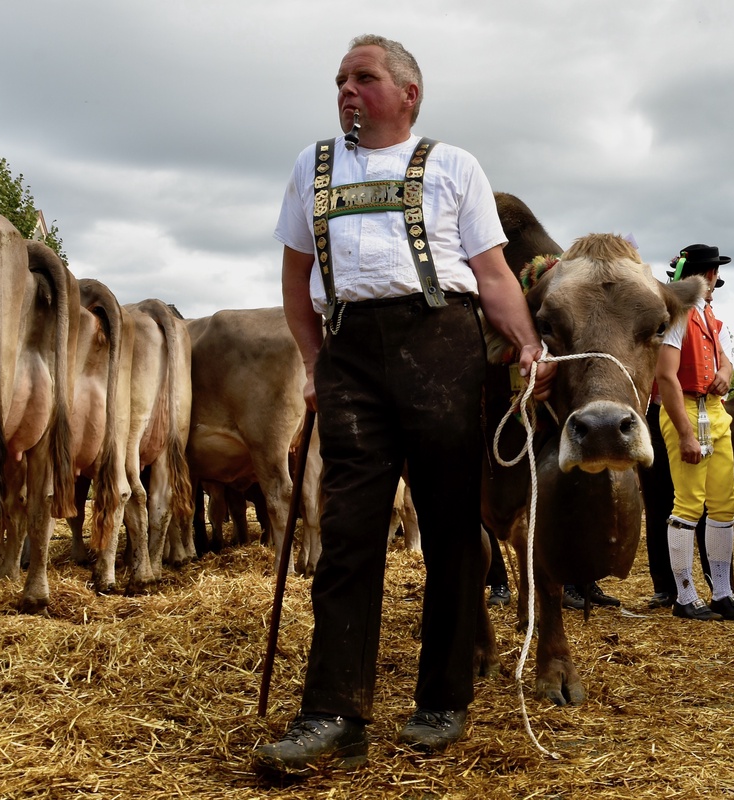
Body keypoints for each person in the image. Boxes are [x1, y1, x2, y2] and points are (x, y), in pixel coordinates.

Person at [254, 35, 555, 776]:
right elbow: (296, 281)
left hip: (441, 342)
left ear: (408, 93)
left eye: (364, 78)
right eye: (340, 81)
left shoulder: (453, 166)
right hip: (351, 347)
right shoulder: (312, 166)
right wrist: (313, 363)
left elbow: (491, 274)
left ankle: (443, 699)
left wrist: (526, 347)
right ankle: (332, 714)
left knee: (452, 526)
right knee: (349, 530)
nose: (347, 91)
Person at [655, 244, 734, 622]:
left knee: (724, 502)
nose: (714, 282)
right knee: (689, 504)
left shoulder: (712, 318)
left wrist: (726, 374)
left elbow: (725, 361)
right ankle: (684, 596)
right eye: (712, 274)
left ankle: (723, 593)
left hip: (715, 411)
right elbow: (665, 375)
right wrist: (684, 433)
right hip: (685, 409)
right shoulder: (676, 317)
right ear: (704, 276)